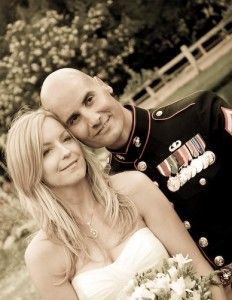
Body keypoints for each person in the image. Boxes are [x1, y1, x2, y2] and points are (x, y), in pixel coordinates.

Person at [40, 68, 232, 288]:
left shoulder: (199, 113)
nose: (92, 119)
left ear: (103, 84)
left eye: (89, 100)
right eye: (74, 119)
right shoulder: (108, 194)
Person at [6, 109, 226, 300]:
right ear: (31, 170)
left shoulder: (134, 188)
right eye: (47, 152)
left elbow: (199, 268)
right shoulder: (42, 254)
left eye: (66, 139)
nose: (66, 152)